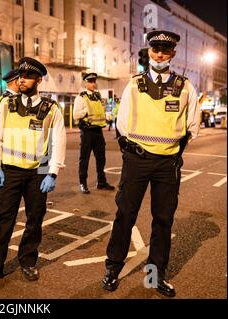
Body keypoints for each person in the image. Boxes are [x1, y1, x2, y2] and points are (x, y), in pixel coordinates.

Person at [101, 30, 200, 297]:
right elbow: (121, 124)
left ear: (172, 54)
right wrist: (131, 152)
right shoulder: (134, 85)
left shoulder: (185, 86)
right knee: (125, 215)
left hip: (167, 163)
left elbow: (193, 125)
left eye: (165, 51)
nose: (159, 54)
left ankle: (155, 276)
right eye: (155, 49)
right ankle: (113, 268)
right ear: (149, 52)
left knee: (163, 220)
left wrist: (172, 151)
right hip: (137, 160)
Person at [0, 57, 66, 284]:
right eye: (20, 76)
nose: (21, 80)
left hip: (37, 173)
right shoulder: (7, 104)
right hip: (10, 171)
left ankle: (28, 262)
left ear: (38, 80)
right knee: (4, 220)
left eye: (27, 77)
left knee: (34, 220)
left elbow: (58, 141)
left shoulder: (51, 108)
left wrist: (52, 172)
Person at [73, 72, 115, 194]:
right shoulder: (80, 97)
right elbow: (75, 115)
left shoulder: (98, 96)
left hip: (98, 132)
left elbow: (101, 111)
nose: (93, 83)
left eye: (94, 81)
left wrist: (107, 115)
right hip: (87, 131)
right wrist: (85, 111)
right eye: (90, 81)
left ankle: (101, 182)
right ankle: (83, 183)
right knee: (84, 159)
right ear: (85, 83)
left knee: (101, 159)